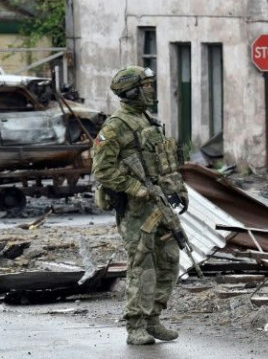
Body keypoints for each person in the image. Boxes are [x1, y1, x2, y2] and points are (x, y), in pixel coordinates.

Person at [91, 66, 189, 346]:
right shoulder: (115, 126)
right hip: (136, 211)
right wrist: (135, 187)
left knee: (170, 258)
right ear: (131, 90)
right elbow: (102, 170)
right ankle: (135, 325)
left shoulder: (149, 121)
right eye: (145, 85)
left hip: (160, 204)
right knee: (142, 266)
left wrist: (178, 188)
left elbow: (165, 162)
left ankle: (153, 318)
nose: (150, 89)